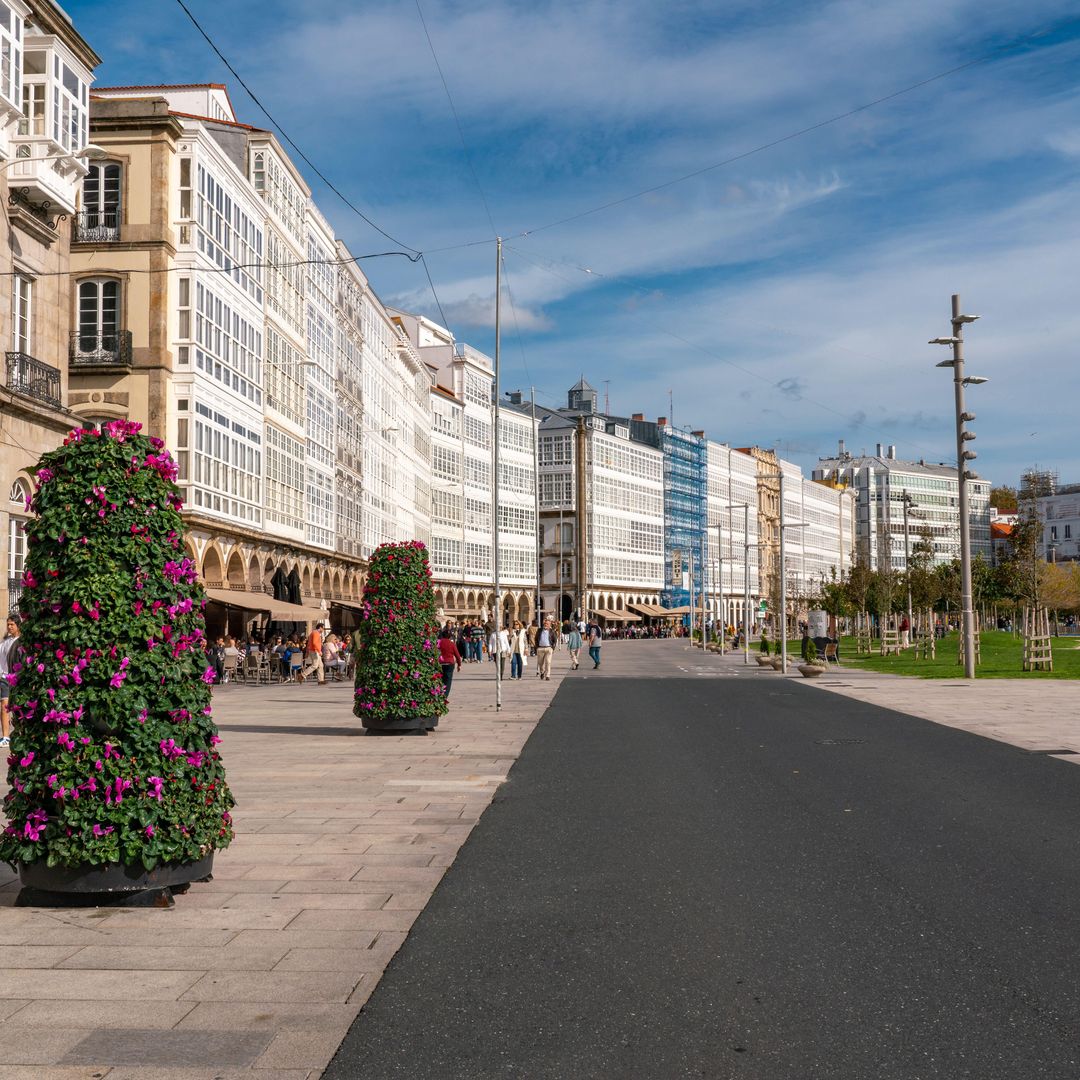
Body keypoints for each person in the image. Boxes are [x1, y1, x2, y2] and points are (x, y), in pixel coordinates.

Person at [0, 615, 21, 748]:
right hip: (4, 677)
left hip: (14, 677)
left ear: (18, 625)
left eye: (12, 624)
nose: (9, 627)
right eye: (8, 624)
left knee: (17, 708)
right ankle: (6, 737)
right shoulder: (5, 642)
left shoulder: (20, 641)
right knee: (4, 706)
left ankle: (19, 734)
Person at [437, 627, 463, 699]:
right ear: (449, 636)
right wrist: (459, 665)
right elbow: (457, 655)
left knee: (440, 680)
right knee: (448, 681)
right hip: (449, 664)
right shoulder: (452, 644)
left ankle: (439, 693)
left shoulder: (439, 643)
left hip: (440, 663)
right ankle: (445, 696)